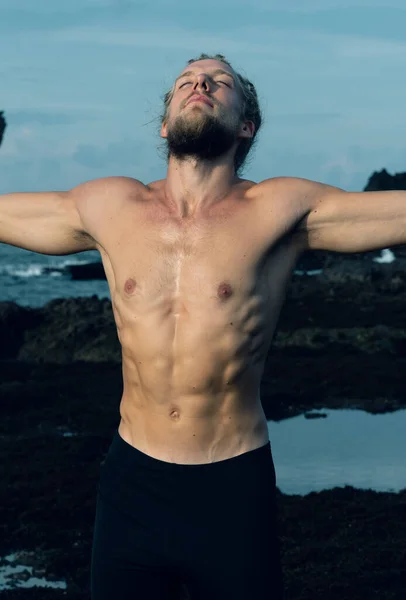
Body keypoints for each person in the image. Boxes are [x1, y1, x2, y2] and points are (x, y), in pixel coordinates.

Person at [1, 52, 406, 600]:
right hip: (131, 484)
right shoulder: (108, 204)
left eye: (219, 81)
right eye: (186, 80)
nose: (200, 83)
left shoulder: (281, 208)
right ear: (166, 121)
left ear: (246, 124)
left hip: (231, 486)